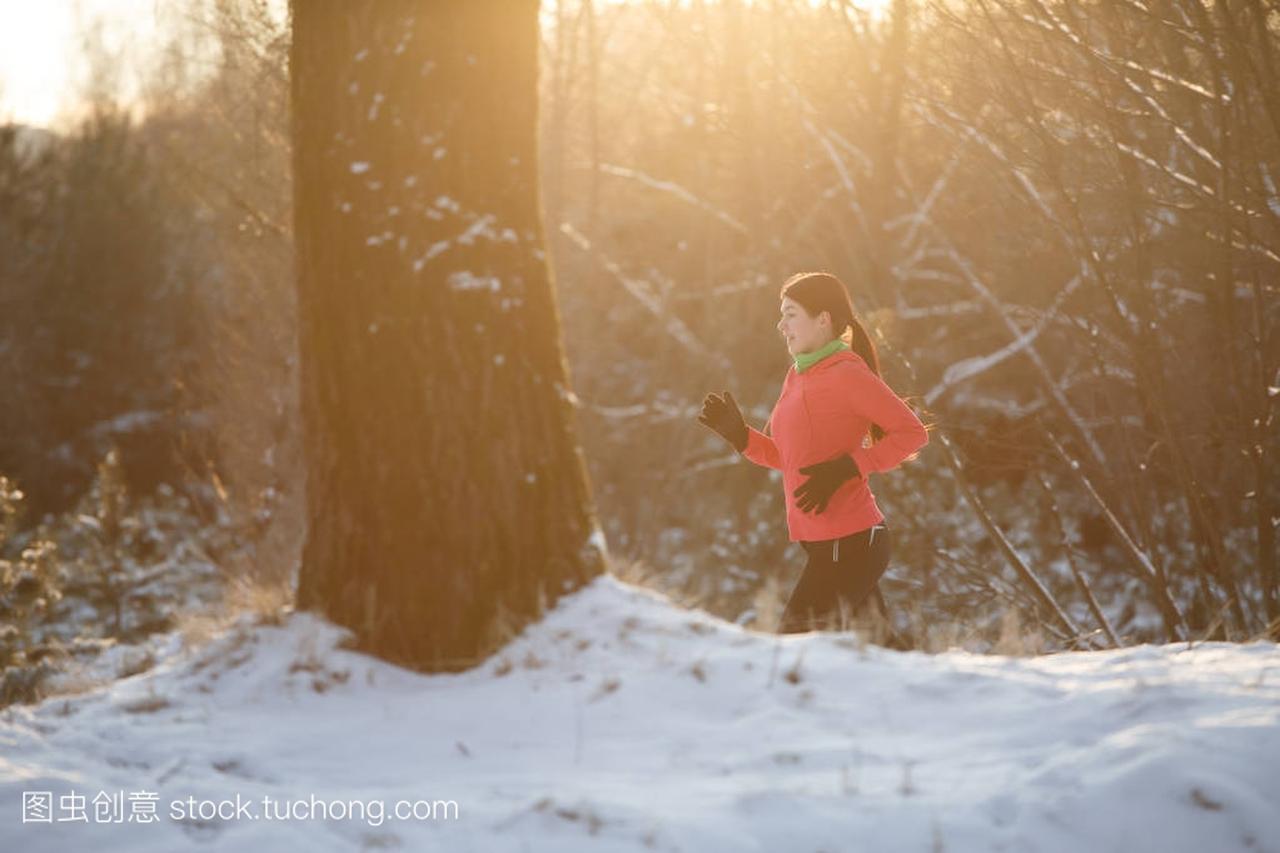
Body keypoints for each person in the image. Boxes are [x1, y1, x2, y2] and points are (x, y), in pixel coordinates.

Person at [697, 271, 929, 639]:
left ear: (823, 319)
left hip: (852, 542)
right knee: (882, 656)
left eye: (790, 314)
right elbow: (788, 457)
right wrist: (741, 438)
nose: (781, 325)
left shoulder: (848, 374)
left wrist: (852, 466)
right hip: (826, 545)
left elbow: (911, 433)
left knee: (793, 644)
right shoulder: (797, 376)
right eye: (781, 314)